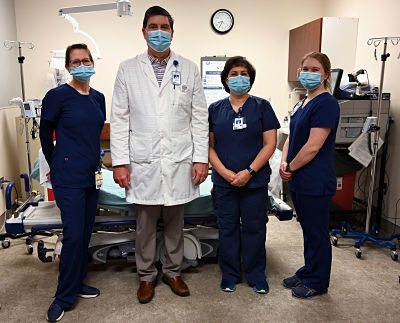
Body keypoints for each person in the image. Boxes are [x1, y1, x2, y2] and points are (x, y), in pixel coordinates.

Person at [110, 6, 208, 304]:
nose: (159, 32)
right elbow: (119, 118)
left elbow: (199, 117)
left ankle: (173, 271)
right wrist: (120, 163)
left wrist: (201, 158)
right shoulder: (128, 68)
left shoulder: (189, 68)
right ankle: (146, 276)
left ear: (172, 32)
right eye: (153, 26)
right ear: (143, 31)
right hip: (144, 161)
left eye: (164, 26)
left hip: (179, 159)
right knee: (145, 225)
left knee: (176, 222)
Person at [40, 43, 106, 322]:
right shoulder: (57, 96)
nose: (81, 65)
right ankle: (63, 296)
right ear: (68, 67)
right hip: (68, 176)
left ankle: (78, 283)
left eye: (86, 60)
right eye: (76, 62)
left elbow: (96, 135)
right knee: (74, 235)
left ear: (93, 63)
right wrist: (56, 163)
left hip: (91, 175)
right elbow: (45, 135)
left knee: (85, 234)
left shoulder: (99, 98)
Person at [208, 56, 280, 293]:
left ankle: (256, 274)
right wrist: (225, 173)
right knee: (227, 227)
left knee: (255, 227)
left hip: (255, 180)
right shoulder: (215, 110)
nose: (239, 78)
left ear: (251, 79)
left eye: (244, 73)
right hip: (224, 181)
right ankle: (229, 274)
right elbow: (208, 146)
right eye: (234, 74)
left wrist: (249, 172)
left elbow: (270, 144)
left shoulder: (262, 107)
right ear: (226, 79)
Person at [279, 52, 340, 299]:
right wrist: (284, 162)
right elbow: (292, 138)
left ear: (326, 74)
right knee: (307, 230)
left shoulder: (327, 103)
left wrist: (290, 167)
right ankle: (308, 270)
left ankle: (318, 281)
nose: (308, 73)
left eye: (315, 69)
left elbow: (313, 147)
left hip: (314, 180)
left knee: (317, 232)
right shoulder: (302, 101)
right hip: (299, 179)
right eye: (305, 68)